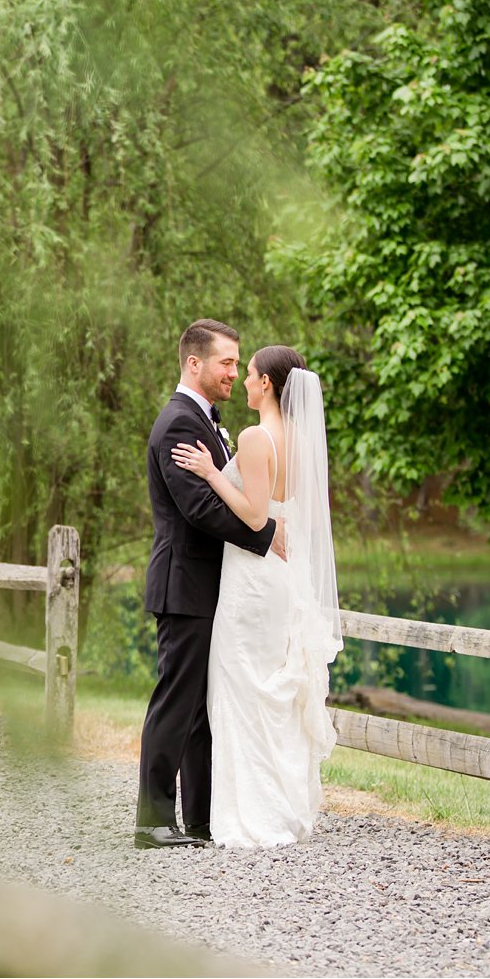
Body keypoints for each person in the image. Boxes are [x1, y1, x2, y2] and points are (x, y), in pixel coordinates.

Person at [170, 345, 343, 848]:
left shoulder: (255, 437)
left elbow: (253, 516)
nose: (242, 381)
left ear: (267, 383)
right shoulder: (301, 441)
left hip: (253, 577)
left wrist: (209, 475)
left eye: (248, 374)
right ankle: (283, 807)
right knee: (272, 688)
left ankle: (252, 815)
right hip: (286, 581)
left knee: (241, 684)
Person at [134, 319, 280, 850]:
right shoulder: (178, 423)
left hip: (208, 586)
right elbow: (198, 509)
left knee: (200, 707)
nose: (234, 373)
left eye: (238, 364)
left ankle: (199, 819)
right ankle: (152, 822)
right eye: (226, 362)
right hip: (184, 584)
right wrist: (265, 534)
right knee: (176, 702)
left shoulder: (205, 422)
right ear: (194, 363)